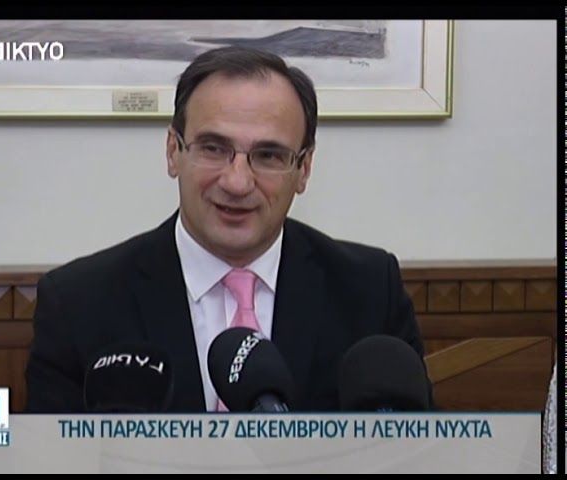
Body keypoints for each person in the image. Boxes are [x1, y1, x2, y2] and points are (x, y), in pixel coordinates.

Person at [25, 46, 427, 413]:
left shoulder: (369, 291)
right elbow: (49, 455)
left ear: (303, 169)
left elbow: (417, 448)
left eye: (268, 155)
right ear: (173, 152)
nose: (237, 182)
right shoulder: (79, 303)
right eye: (214, 149)